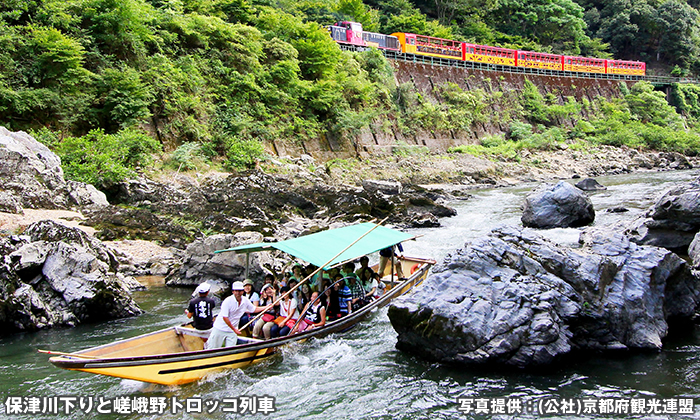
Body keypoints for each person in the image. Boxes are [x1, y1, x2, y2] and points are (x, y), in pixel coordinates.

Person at [207, 281, 269, 349]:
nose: (238, 293)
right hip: (220, 328)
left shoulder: (245, 300)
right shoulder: (227, 301)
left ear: (242, 291)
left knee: (231, 349)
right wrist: (234, 329)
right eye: (236, 291)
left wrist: (266, 307)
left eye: (240, 291)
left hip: (232, 330)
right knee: (212, 347)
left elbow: (253, 309)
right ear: (233, 292)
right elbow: (225, 317)